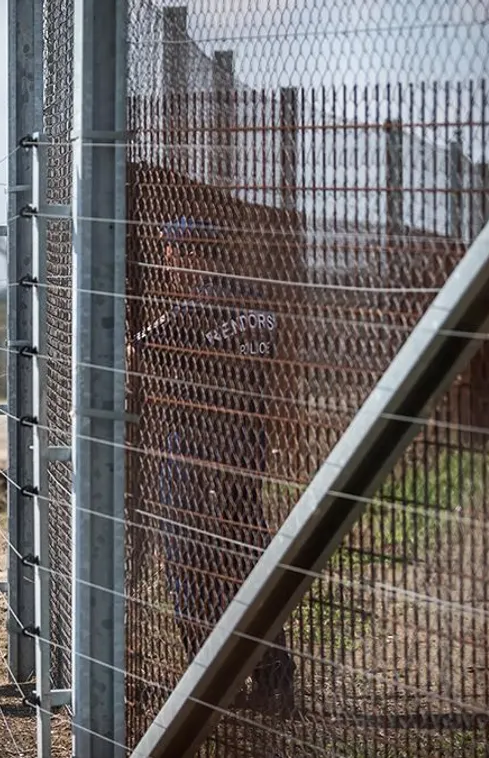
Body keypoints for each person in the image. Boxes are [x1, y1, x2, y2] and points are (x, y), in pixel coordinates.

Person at [128, 215, 296, 715]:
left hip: (194, 459)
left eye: (170, 254)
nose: (166, 264)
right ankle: (273, 680)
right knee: (247, 564)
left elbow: (138, 350)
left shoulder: (193, 311)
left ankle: (211, 682)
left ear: (186, 254)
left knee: (187, 566)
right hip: (246, 459)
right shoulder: (258, 307)